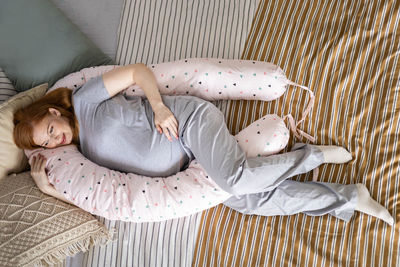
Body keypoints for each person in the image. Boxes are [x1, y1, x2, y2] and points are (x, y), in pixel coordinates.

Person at [13, 63, 394, 225]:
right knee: (253, 202)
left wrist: (159, 106)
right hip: (187, 167)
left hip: (191, 123)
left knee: (235, 179)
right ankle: (348, 198)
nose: (52, 140)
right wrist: (48, 189)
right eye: (44, 144)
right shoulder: (79, 158)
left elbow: (136, 72)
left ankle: (311, 156)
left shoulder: (84, 100)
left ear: (53, 112)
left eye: (47, 128)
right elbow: (101, 200)